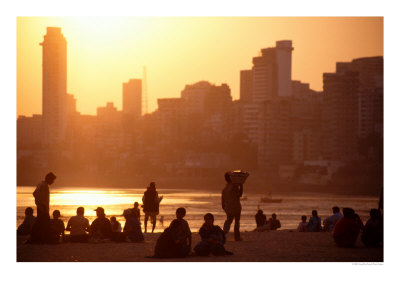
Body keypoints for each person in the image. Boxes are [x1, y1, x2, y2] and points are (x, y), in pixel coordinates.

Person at [28, 172, 56, 244]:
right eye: (52, 180)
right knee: (44, 224)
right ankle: (43, 239)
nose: (53, 182)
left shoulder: (41, 184)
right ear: (49, 179)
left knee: (41, 223)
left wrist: (38, 203)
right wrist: (41, 204)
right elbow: (36, 195)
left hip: (41, 207)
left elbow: (34, 193)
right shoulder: (44, 185)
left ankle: (38, 239)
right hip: (43, 208)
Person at [222, 172, 243, 241]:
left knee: (228, 221)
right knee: (237, 221)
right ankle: (237, 237)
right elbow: (240, 194)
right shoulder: (234, 187)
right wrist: (241, 186)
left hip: (229, 208)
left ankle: (223, 234)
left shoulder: (225, 189)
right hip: (236, 207)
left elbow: (223, 203)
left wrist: (226, 208)